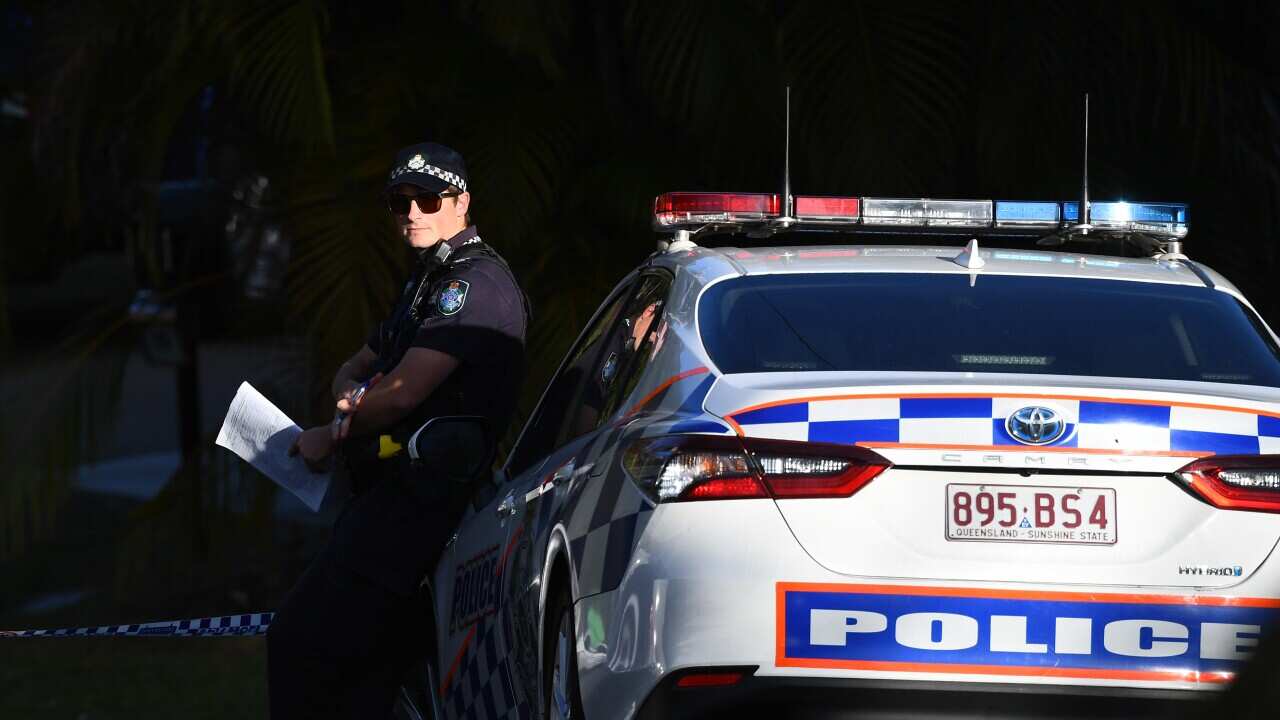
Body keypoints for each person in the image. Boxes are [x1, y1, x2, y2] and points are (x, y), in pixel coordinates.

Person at [267, 142, 530, 719]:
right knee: (375, 681)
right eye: (399, 201)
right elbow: (358, 365)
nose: (412, 212)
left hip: (423, 507)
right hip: (397, 501)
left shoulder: (473, 284)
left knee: (298, 645)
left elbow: (405, 391)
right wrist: (351, 393)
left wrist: (331, 430)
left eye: (428, 199)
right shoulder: (427, 280)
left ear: (461, 203)